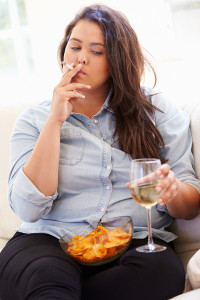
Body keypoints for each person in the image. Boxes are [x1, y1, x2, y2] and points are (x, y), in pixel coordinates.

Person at [0, 4, 200, 300]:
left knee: (160, 272)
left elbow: (191, 206)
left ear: (118, 60)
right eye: (75, 47)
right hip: (49, 239)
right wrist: (55, 122)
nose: (80, 59)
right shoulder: (34, 121)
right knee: (45, 276)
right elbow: (28, 210)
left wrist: (172, 191)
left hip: (135, 241)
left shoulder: (158, 113)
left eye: (96, 51)